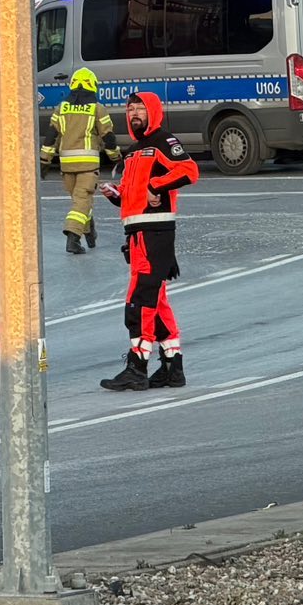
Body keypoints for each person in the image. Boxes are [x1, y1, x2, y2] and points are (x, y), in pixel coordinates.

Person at [98, 91, 199, 392]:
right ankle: (172, 365)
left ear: (153, 110)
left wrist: (156, 184)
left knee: (140, 301)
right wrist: (117, 195)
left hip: (154, 234)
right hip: (139, 233)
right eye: (130, 109)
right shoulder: (133, 151)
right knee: (155, 301)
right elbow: (136, 198)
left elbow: (189, 171)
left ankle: (137, 365)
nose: (134, 113)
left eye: (140, 108)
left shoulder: (163, 141)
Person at [39, 67, 121, 254]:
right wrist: (117, 158)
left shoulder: (61, 108)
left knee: (80, 201)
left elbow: (52, 137)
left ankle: (89, 229)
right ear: (93, 86)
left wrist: (44, 161)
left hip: (66, 166)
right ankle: (73, 238)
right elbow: (108, 138)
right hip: (88, 166)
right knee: (81, 201)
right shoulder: (97, 109)